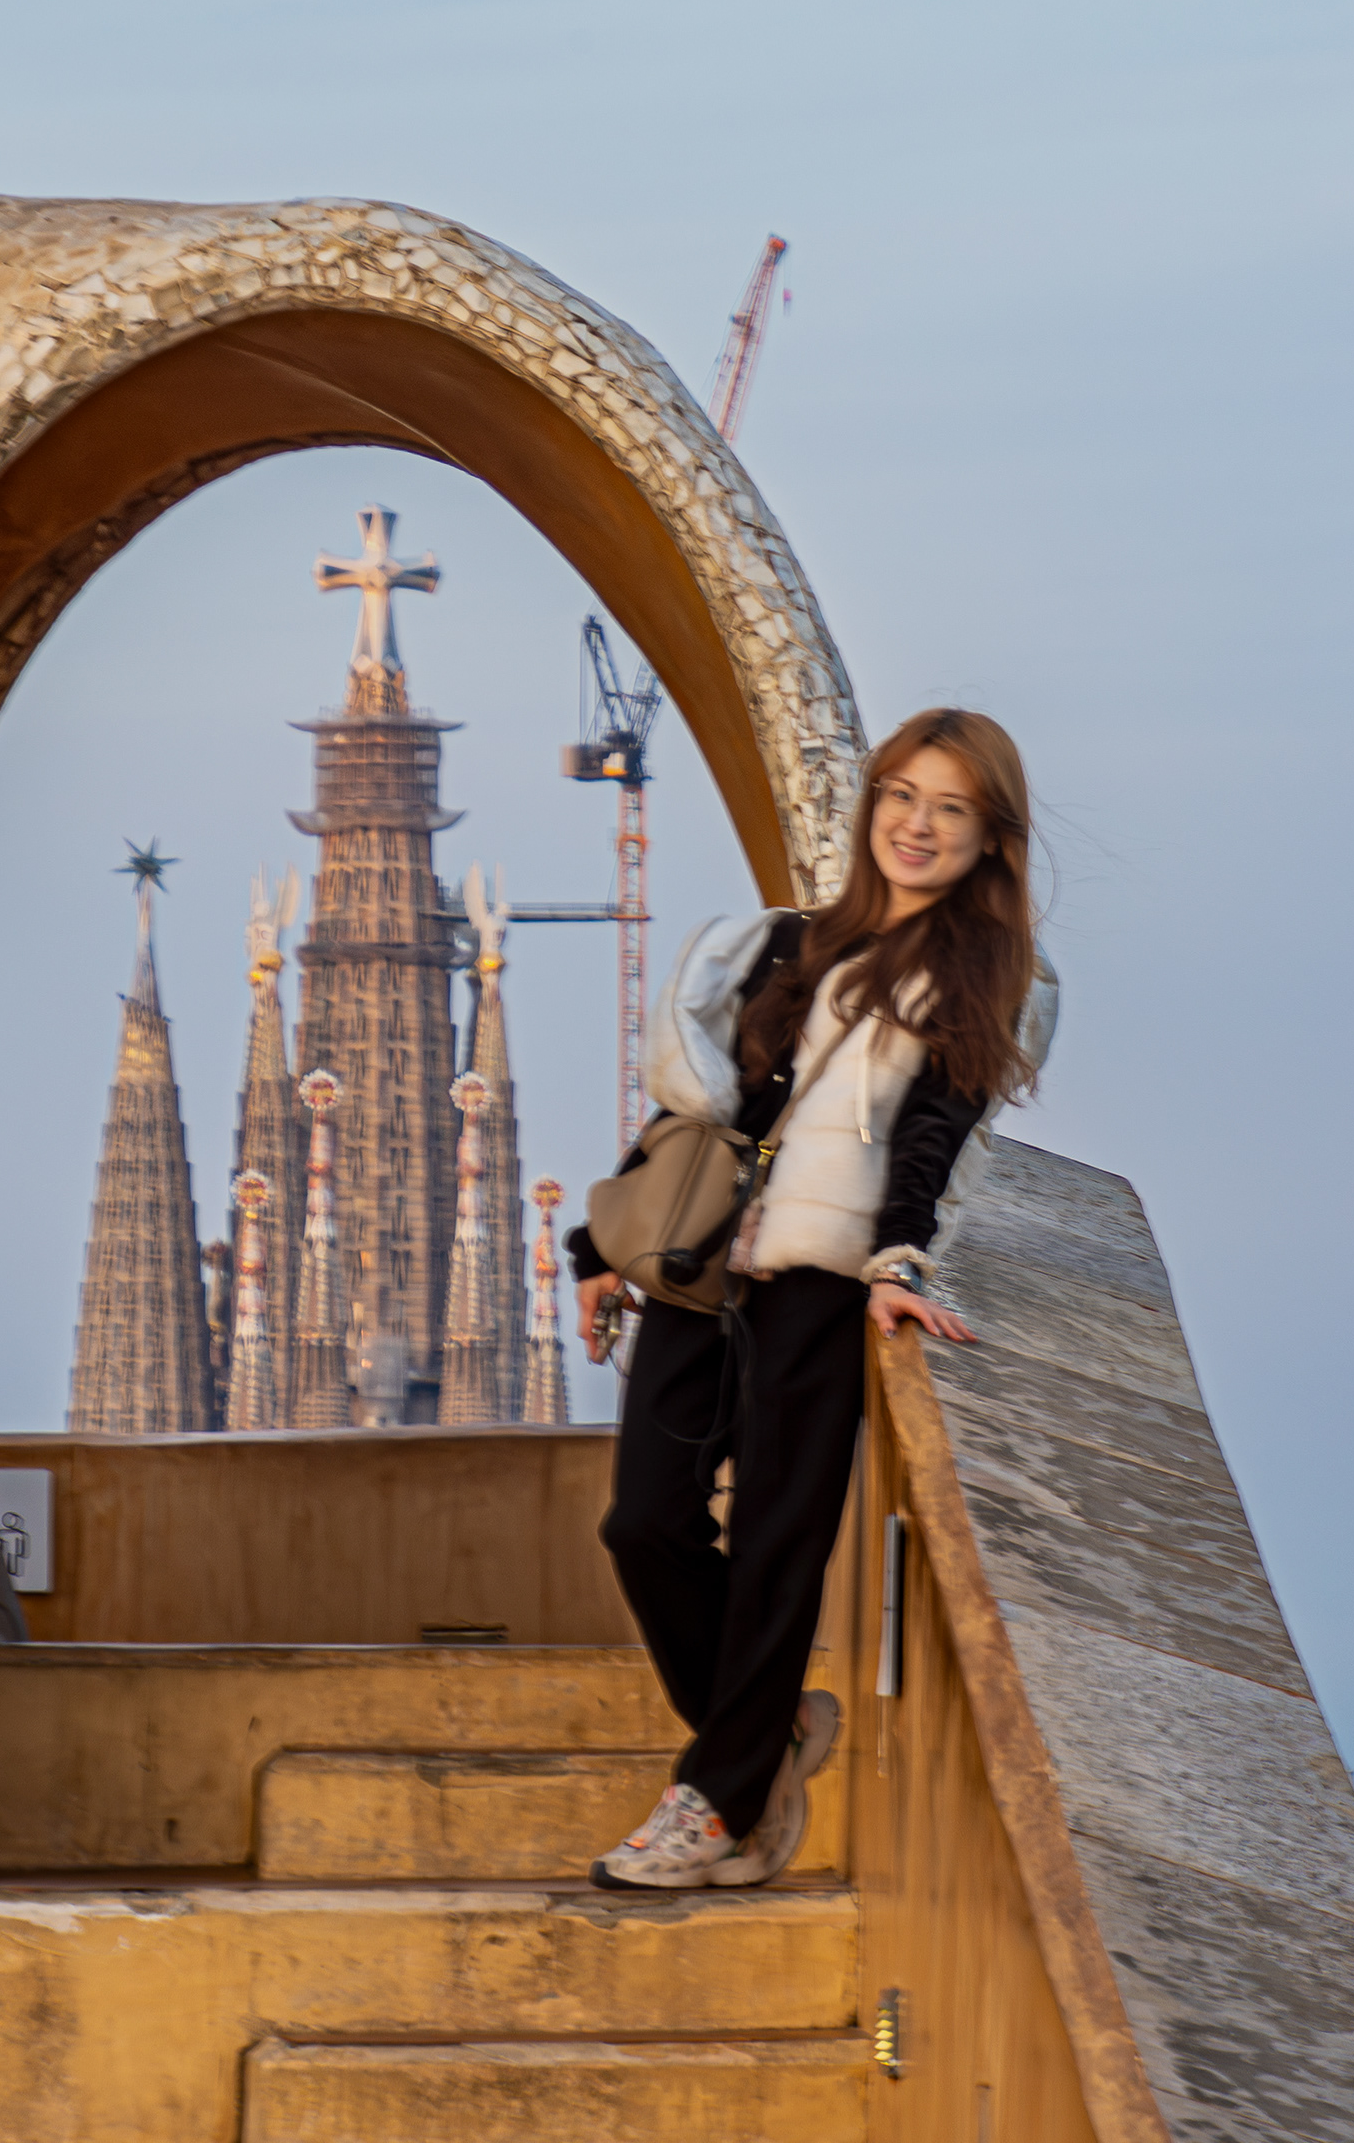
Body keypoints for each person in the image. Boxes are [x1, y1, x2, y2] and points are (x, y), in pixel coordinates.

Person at [572, 708, 1057, 1890]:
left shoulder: (983, 976)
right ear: (872, 805)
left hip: (824, 1288)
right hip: (706, 1274)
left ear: (991, 839)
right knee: (643, 1520)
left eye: (950, 808)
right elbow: (706, 1116)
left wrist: (896, 1266)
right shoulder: (787, 942)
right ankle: (771, 1732)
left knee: (780, 1540)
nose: (917, 825)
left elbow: (935, 1137)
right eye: (902, 795)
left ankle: (718, 1800)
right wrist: (604, 1243)